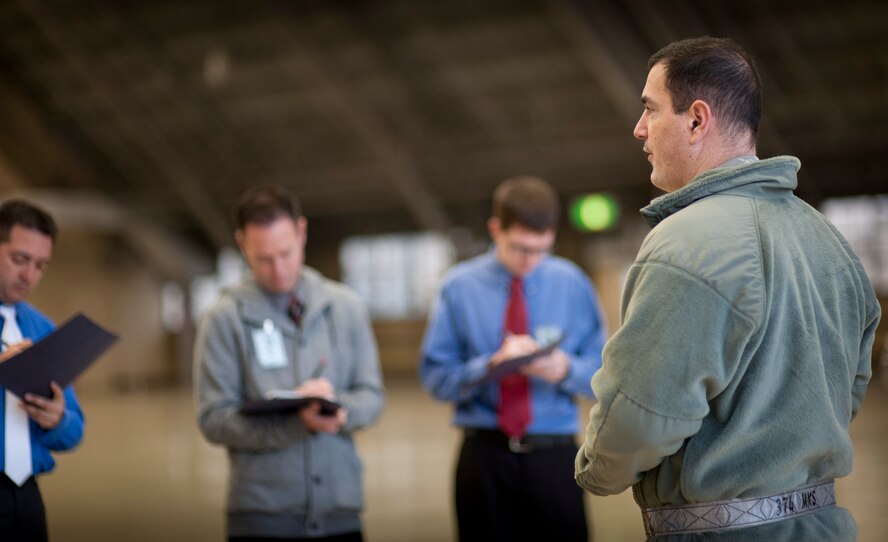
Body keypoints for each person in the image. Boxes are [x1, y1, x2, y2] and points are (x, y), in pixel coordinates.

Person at [574, 36, 881, 541]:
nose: (638, 129)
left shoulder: (685, 243)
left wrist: (595, 469)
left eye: (650, 110)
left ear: (696, 119)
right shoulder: (828, 240)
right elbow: (850, 383)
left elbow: (640, 416)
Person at [420, 176, 607, 541]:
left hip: (554, 457)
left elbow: (607, 372)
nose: (530, 260)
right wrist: (488, 367)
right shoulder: (459, 287)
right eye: (520, 248)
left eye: (541, 249)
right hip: (484, 455)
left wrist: (565, 369)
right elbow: (435, 379)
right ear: (496, 230)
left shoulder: (572, 284)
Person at [194, 185, 385, 541]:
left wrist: (339, 412)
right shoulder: (224, 318)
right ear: (241, 244)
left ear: (302, 232)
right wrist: (294, 423)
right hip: (262, 517)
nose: (279, 270)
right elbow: (213, 419)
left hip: (340, 513)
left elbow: (372, 396)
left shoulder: (346, 307)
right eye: (264, 259)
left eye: (286, 253)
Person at [0, 199, 84, 541]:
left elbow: (75, 430)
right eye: (19, 259)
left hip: (27, 498)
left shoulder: (42, 328)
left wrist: (57, 419)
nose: (29, 275)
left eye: (40, 265)